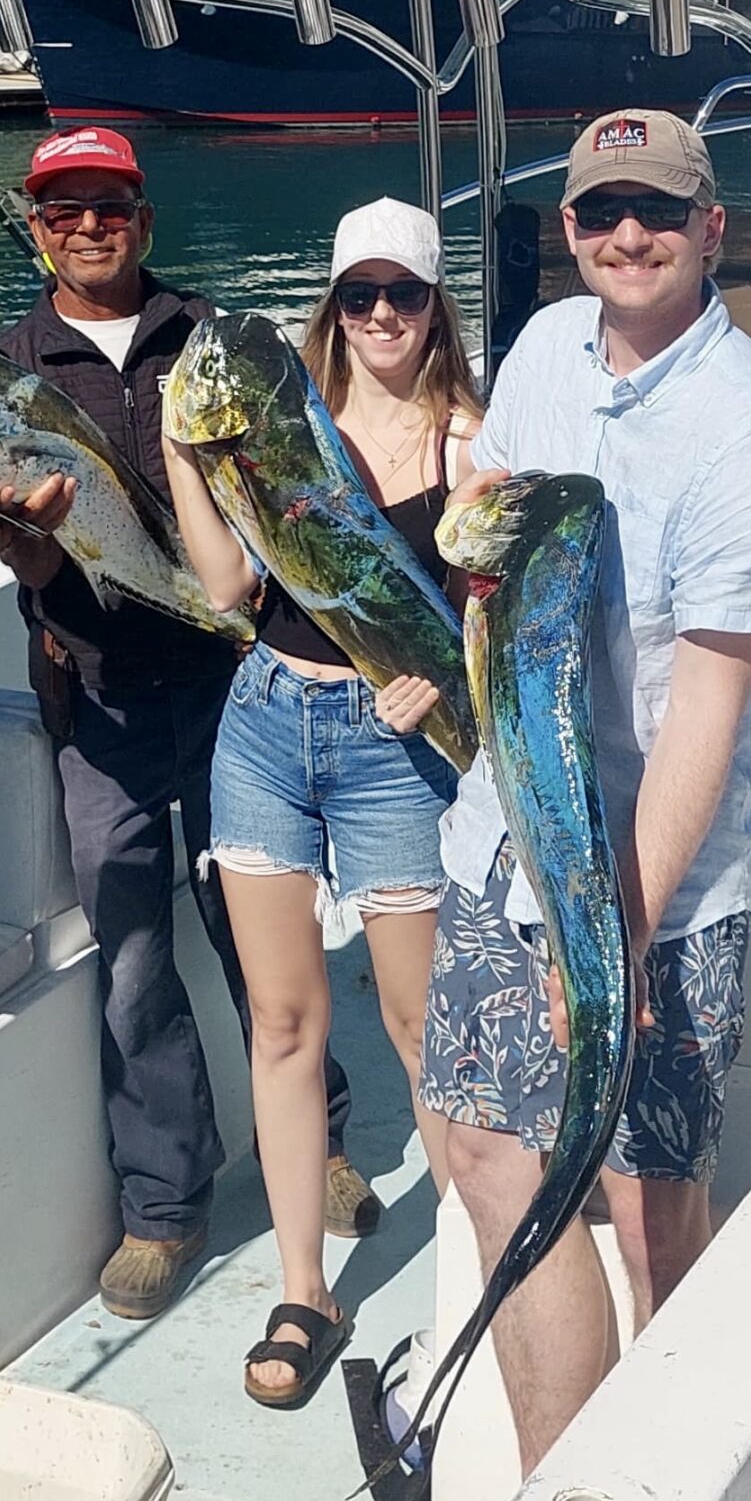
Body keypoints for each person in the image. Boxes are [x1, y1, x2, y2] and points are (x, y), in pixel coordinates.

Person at [387, 110, 751, 1501]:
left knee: (635, 1201)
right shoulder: (544, 353)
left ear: (713, 232)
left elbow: (707, 706)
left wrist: (609, 945)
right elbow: (483, 545)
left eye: (655, 212)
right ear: (564, 230)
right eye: (597, 213)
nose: (622, 235)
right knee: (488, 1144)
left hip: (653, 884)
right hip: (499, 838)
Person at [0, 127, 377, 1324]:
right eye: (65, 211)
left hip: (234, 688)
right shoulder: (6, 366)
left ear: (146, 220)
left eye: (111, 207)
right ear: (36, 225)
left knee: (261, 935)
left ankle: (317, 1141)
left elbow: (296, 477)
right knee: (134, 956)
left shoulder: (216, 341)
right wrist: (16, 538)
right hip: (93, 697)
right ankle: (166, 1200)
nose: (89, 226)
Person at [164, 198, 481, 1408]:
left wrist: (442, 673)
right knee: (284, 1024)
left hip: (393, 749)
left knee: (418, 1028)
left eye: (404, 294)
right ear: (333, 306)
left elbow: (493, 624)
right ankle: (305, 1287)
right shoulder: (282, 423)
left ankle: (479, 1267)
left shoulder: (465, 441)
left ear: (435, 302)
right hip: (263, 724)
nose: (384, 316)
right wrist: (194, 462)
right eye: (361, 296)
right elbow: (231, 584)